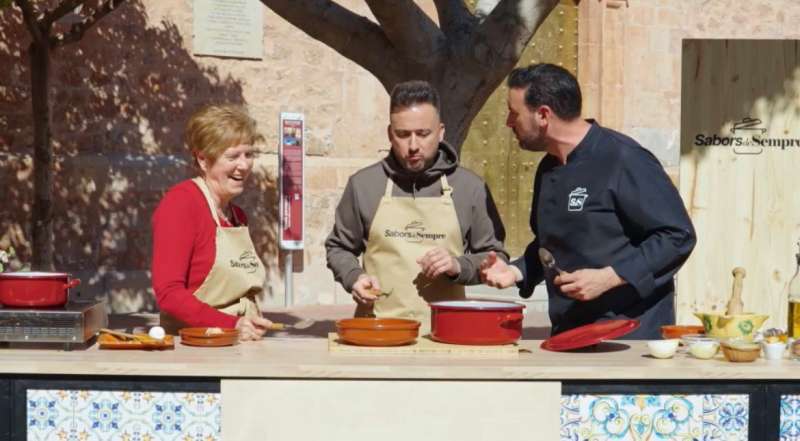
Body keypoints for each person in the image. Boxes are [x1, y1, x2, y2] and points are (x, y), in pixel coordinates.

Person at [480, 64, 696, 339]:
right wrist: (516, 271)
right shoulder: (548, 168)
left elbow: (677, 236)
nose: (509, 122)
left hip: (630, 338)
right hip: (570, 334)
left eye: (514, 113)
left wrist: (611, 276)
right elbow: (550, 245)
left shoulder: (624, 158)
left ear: (543, 114)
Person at [325, 80, 508, 327]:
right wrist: (354, 277)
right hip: (378, 330)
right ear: (390, 134)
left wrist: (457, 266)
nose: (413, 146)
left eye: (423, 134)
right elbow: (339, 247)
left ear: (441, 132)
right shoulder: (363, 185)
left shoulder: (470, 188)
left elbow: (495, 257)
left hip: (447, 331)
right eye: (402, 135)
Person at [151, 104, 272, 341]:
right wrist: (230, 323)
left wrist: (250, 320)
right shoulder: (181, 204)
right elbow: (169, 293)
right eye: (233, 156)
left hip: (232, 340)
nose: (244, 165)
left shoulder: (237, 215)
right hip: (195, 345)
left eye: (249, 154)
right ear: (203, 160)